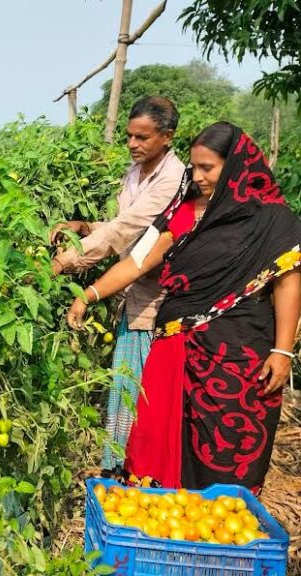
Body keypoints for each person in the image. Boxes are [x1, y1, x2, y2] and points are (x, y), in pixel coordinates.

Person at [66, 122, 301, 492]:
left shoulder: (271, 220)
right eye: (194, 167)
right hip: (175, 345)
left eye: (208, 167)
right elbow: (139, 261)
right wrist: (89, 294)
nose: (198, 176)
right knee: (156, 441)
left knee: (226, 446)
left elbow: (287, 282)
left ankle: (218, 532)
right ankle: (159, 534)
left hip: (239, 354)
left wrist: (282, 349)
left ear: (236, 167)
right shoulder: (183, 210)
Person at [50, 96, 185, 475]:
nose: (132, 144)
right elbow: (120, 225)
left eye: (141, 137)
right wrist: (83, 228)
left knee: (144, 394)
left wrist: (64, 262)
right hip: (129, 293)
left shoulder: (174, 180)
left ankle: (138, 473)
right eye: (129, 136)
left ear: (167, 136)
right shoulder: (134, 172)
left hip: (157, 300)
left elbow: (127, 230)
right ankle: (121, 469)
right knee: (125, 388)